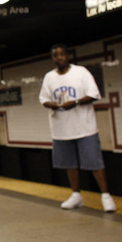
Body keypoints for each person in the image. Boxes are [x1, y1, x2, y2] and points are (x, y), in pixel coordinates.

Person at [39, 44, 116, 212]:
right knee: (69, 164)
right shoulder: (49, 77)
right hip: (60, 129)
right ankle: (76, 195)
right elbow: (43, 99)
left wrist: (74, 102)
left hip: (85, 127)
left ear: (68, 56)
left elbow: (94, 94)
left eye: (62, 54)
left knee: (95, 162)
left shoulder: (81, 72)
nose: (59, 57)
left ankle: (106, 196)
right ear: (52, 58)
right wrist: (50, 104)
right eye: (55, 55)